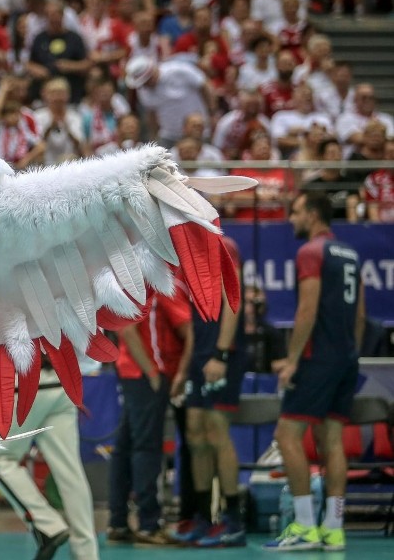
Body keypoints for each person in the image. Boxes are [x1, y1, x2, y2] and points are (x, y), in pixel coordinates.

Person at [265, 192, 365, 551]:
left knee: (287, 435)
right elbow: (360, 315)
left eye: (295, 213)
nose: (291, 219)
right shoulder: (350, 254)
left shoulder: (311, 252)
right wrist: (348, 353)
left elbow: (306, 310)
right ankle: (334, 529)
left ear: (312, 214)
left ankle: (305, 526)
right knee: (332, 441)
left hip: (317, 358)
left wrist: (292, 360)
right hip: (345, 359)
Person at [172, 237, 247, 547]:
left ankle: (233, 519)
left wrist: (222, 353)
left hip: (220, 353)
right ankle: (205, 516)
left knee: (217, 432)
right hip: (201, 354)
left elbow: (234, 299)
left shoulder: (223, 245)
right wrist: (187, 366)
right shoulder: (187, 253)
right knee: (194, 433)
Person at [108, 277, 193, 546]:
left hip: (131, 372)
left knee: (124, 447)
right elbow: (130, 331)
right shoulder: (158, 285)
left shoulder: (130, 282)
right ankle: (148, 523)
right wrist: (155, 373)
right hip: (146, 376)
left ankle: (118, 522)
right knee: (147, 448)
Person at [0, 357, 99, 560]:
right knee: (70, 471)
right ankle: (87, 553)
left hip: (22, 379)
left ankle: (47, 524)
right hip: (62, 378)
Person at [124, 55, 214, 147]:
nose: (144, 86)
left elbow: (204, 86)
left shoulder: (178, 70)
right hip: (169, 135)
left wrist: (212, 112)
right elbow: (151, 114)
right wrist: (153, 136)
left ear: (152, 73)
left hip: (197, 131)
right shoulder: (143, 90)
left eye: (146, 82)